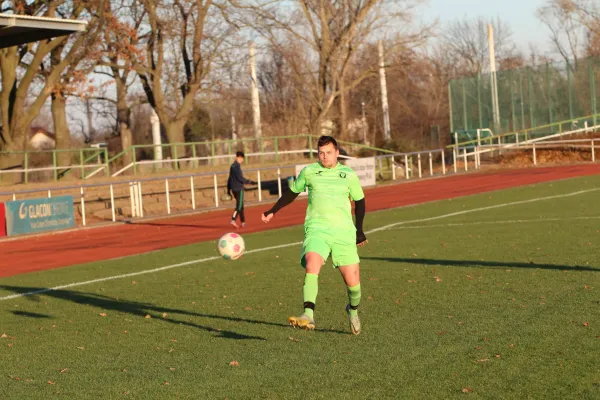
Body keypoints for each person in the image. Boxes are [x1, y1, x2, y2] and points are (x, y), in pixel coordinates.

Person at [261, 135, 367, 335]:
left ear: (337, 153)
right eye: (321, 153)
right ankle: (308, 313)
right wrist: (272, 210)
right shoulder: (309, 172)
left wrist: (359, 231)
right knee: (312, 262)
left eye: (328, 153)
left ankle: (352, 310)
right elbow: (292, 192)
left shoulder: (348, 174)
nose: (325, 156)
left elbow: (360, 201)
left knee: (353, 284)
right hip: (317, 229)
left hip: (343, 232)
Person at [227, 151, 256, 228]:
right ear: (237, 157)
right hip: (239, 189)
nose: (241, 160)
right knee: (239, 206)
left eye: (242, 158)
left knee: (241, 206)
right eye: (241, 158)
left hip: (234, 188)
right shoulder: (237, 167)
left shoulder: (232, 166)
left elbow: (229, 178)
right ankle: (233, 220)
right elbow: (240, 178)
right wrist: (249, 182)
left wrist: (228, 189)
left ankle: (243, 222)